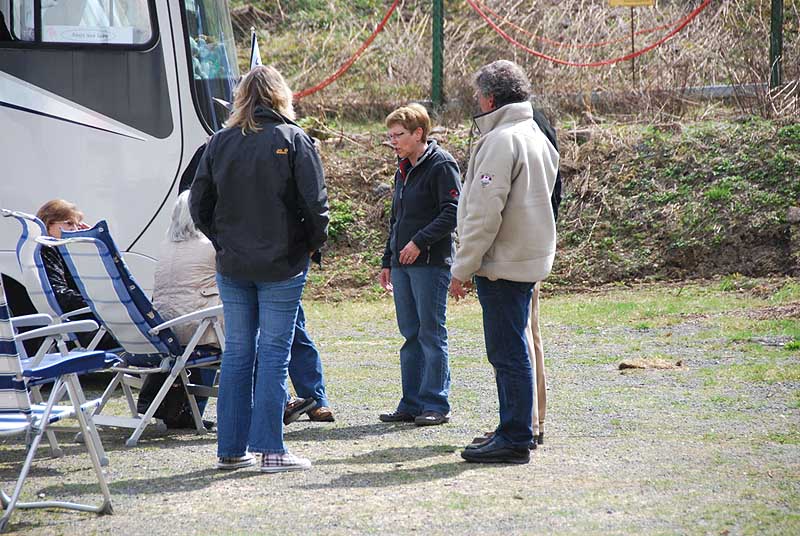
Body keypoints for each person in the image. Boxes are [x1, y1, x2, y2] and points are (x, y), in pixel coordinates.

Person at [190, 65, 329, 473]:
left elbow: (199, 205)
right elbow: (315, 206)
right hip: (282, 264)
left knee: (237, 353)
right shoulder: (294, 139)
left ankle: (231, 449)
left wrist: (224, 241)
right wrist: (308, 246)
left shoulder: (219, 142)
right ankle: (271, 448)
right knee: (273, 355)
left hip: (233, 264)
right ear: (281, 96)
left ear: (241, 98)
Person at [450, 60, 559, 464]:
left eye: (478, 96)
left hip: (503, 263)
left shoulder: (499, 141)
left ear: (490, 98)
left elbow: (483, 214)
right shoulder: (536, 134)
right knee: (515, 348)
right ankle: (515, 428)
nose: (475, 103)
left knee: (506, 351)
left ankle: (514, 437)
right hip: (528, 258)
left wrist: (461, 268)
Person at [378, 103, 461, 426]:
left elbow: (453, 211)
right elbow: (396, 219)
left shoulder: (442, 164)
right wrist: (388, 259)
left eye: (399, 135)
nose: (394, 141)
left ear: (419, 133)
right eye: (391, 136)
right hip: (402, 265)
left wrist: (418, 242)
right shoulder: (403, 168)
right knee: (410, 333)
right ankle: (411, 402)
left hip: (431, 264)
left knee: (431, 333)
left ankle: (436, 404)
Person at [139, 191, 220, 429]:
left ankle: (192, 411)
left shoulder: (165, 247)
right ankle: (278, 405)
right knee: (250, 338)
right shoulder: (210, 246)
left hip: (166, 330)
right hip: (195, 330)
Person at [35, 199, 117, 350]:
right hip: (87, 328)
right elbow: (61, 293)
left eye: (77, 225)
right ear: (49, 224)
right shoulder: (47, 250)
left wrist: (91, 243)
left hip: (83, 325)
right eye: (69, 223)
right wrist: (96, 304)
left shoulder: (56, 250)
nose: (74, 229)